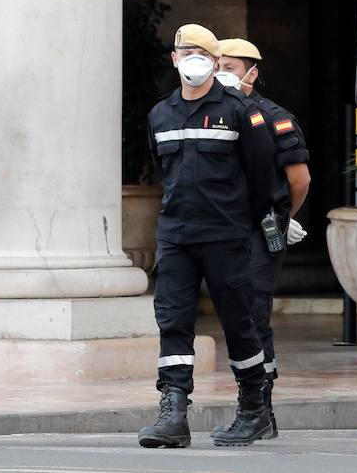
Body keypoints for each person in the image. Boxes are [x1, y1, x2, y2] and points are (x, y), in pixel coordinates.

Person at [137, 24, 278, 449]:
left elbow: (262, 177)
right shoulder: (160, 114)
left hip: (226, 236)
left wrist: (241, 224)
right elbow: (166, 175)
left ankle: (254, 409)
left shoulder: (238, 110)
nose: (192, 58)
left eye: (202, 51)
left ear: (216, 62)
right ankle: (174, 411)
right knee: (173, 322)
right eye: (185, 51)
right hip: (176, 236)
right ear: (174, 59)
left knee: (239, 322)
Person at [214, 37, 312, 439]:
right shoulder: (211, 114)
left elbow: (299, 178)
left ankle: (259, 409)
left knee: (254, 311)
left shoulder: (273, 117)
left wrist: (283, 216)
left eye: (231, 67)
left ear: (252, 73)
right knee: (237, 314)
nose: (222, 73)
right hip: (223, 229)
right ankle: (257, 411)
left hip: (260, 229)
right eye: (217, 63)